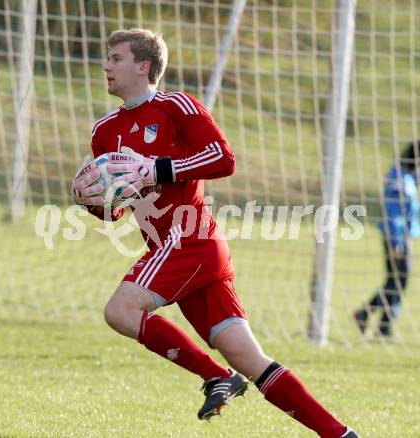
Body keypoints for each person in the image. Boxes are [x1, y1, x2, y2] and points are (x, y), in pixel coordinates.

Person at [71, 28, 359, 437]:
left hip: (191, 241)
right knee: (250, 358)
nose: (106, 66)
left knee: (120, 310)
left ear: (143, 66)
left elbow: (223, 158)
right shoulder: (104, 131)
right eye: (108, 58)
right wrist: (94, 202)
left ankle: (214, 376)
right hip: (176, 251)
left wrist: (154, 167)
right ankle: (341, 434)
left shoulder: (176, 106)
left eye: (116, 58)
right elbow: (118, 207)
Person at [354, 141, 420, 338]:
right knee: (397, 282)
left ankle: (382, 325)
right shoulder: (399, 180)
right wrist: (395, 242)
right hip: (395, 238)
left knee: (397, 281)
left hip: (402, 238)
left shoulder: (407, 176)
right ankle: (367, 316)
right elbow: (393, 213)